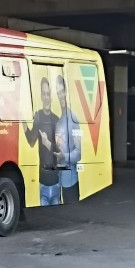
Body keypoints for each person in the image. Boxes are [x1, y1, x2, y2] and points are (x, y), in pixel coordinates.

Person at [23, 77, 60, 206]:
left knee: (57, 218)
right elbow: (31, 141)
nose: (46, 97)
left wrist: (47, 143)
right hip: (43, 182)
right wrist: (23, 121)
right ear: (41, 96)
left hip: (56, 182)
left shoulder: (56, 120)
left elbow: (60, 151)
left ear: (51, 97)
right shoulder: (38, 116)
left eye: (48, 94)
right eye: (43, 94)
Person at [54, 75, 82, 204]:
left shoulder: (73, 118)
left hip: (71, 181)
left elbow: (78, 153)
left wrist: (64, 156)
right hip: (60, 181)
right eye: (58, 92)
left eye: (62, 91)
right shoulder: (59, 120)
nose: (60, 95)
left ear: (66, 92)